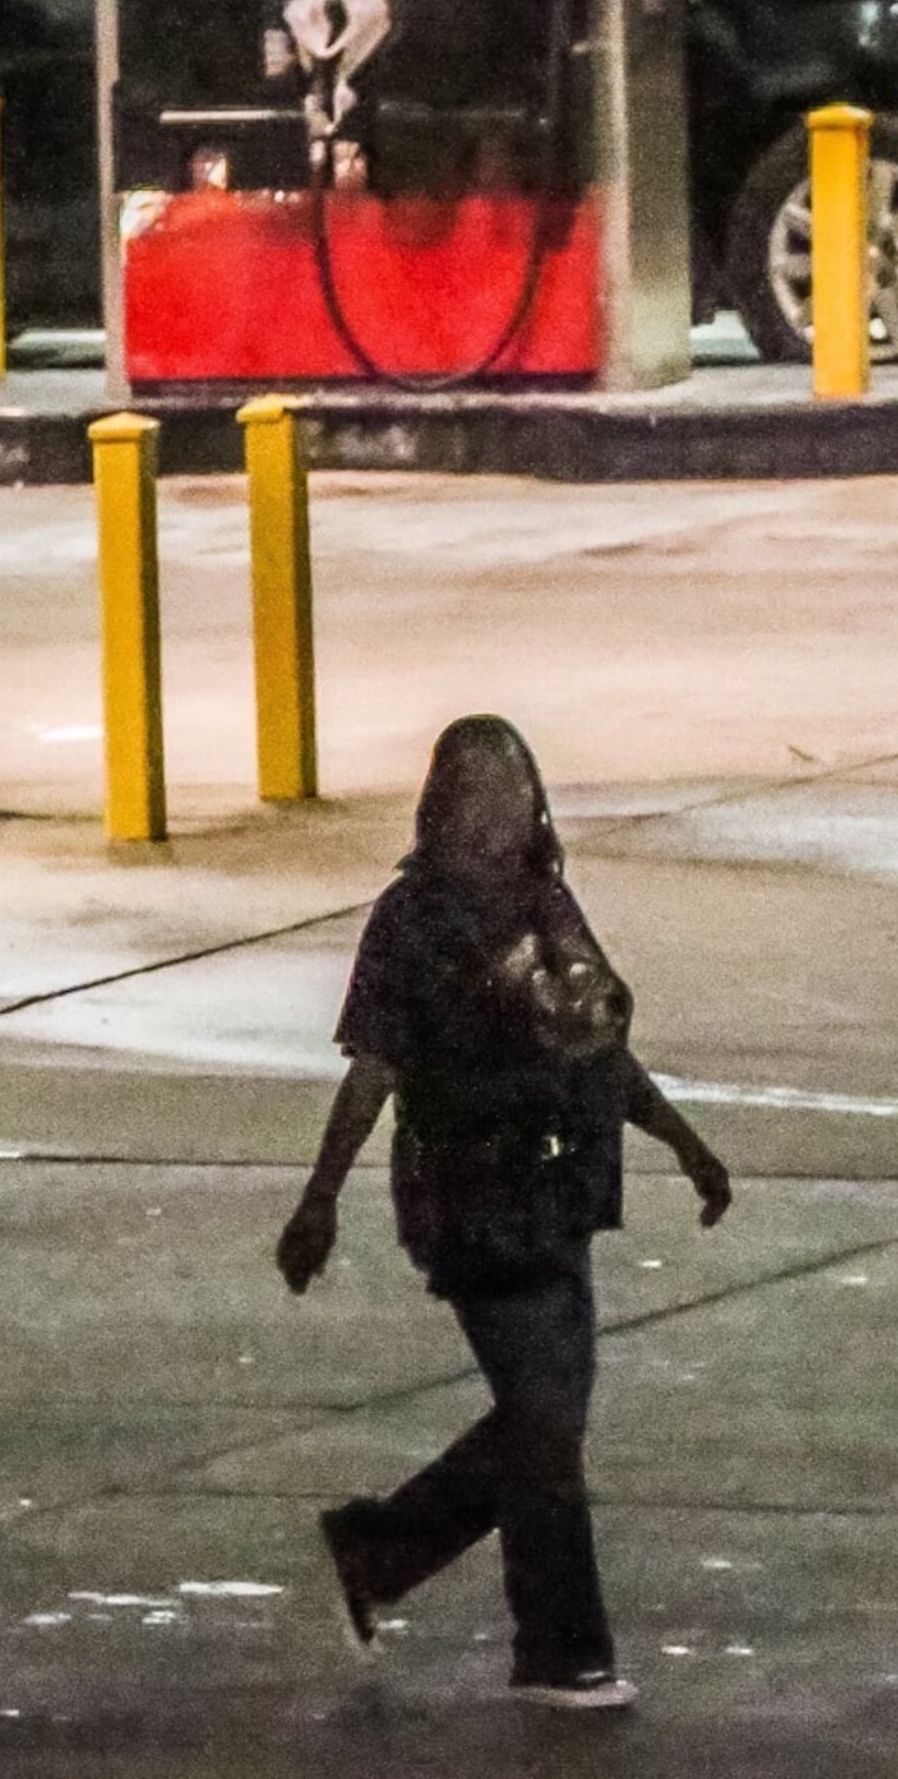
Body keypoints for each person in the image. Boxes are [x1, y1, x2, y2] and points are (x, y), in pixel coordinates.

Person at [275, 714, 733, 1709]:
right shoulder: (411, 922)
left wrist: (683, 1142)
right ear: (442, 810)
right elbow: (373, 1072)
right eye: (480, 800)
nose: (500, 820)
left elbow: (597, 1043)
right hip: (468, 1199)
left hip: (561, 1195)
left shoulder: (545, 900)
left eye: (516, 799)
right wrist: (319, 1203)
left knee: (546, 1423)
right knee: (543, 1427)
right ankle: (562, 1651)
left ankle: (382, 1549)